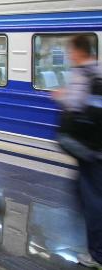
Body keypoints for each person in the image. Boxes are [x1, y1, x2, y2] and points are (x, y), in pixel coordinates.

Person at [53, 34, 102, 268]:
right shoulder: (99, 70)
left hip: (88, 150)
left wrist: (61, 97)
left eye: (70, 51)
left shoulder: (81, 75)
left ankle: (97, 255)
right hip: (97, 147)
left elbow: (74, 105)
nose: (69, 55)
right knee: (86, 193)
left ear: (77, 51)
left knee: (92, 200)